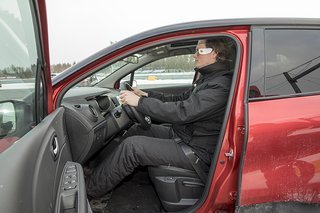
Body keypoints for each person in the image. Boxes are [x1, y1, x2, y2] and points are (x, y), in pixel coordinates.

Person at [85, 38, 233, 198]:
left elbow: (183, 111)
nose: (194, 55)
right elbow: (179, 99)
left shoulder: (220, 85)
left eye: (200, 51)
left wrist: (140, 103)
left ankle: (89, 190)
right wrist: (146, 95)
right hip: (186, 135)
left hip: (197, 149)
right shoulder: (208, 80)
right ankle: (100, 172)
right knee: (136, 130)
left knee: (133, 147)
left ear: (215, 54)